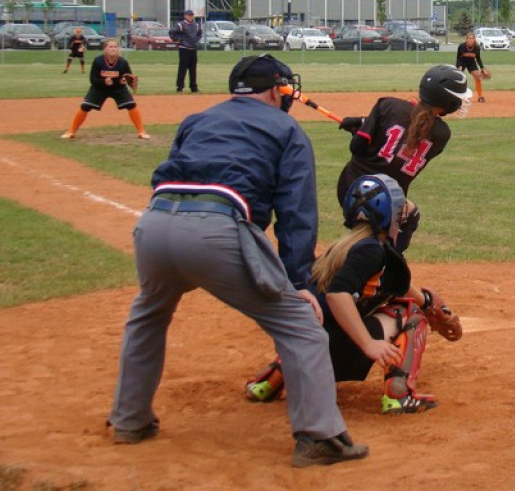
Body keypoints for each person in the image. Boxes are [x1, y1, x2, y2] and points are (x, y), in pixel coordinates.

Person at [107, 54, 369, 468]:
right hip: (216, 231)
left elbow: (166, 174)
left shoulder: (197, 119)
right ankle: (320, 437)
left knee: (147, 315)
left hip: (154, 225)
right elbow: (296, 214)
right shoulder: (287, 129)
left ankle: (129, 420)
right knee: (302, 329)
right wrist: (299, 282)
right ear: (276, 90)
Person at [249, 175, 449, 414]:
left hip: (300, 347)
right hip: (327, 350)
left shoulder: (342, 248)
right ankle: (399, 394)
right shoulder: (372, 251)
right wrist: (368, 344)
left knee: (336, 314)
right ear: (391, 216)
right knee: (409, 311)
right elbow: (337, 294)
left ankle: (274, 377)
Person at [335, 64, 472, 253]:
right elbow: (407, 132)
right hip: (389, 201)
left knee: (366, 242)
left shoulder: (387, 105)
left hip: (351, 188)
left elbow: (357, 148)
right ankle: (388, 263)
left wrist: (362, 129)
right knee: (410, 217)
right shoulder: (442, 134)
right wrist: (365, 123)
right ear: (448, 102)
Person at [62, 38, 150, 140]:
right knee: (85, 106)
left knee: (131, 105)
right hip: (99, 88)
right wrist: (104, 81)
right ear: (105, 49)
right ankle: (71, 131)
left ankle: (141, 132)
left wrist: (128, 81)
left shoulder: (122, 62)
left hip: (118, 88)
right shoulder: (98, 61)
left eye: (116, 47)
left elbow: (126, 77)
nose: (113, 49)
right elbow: (93, 79)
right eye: (111, 46)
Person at [170, 9, 201, 93]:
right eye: (189, 15)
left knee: (193, 69)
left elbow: (199, 34)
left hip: (193, 49)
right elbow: (172, 33)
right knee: (182, 68)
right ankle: (180, 87)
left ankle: (193, 87)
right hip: (184, 49)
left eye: (191, 15)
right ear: (185, 16)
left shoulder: (196, 25)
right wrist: (179, 40)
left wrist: (196, 41)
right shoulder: (181, 24)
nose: (190, 17)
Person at [455, 31, 489, 103]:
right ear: (466, 39)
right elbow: (458, 58)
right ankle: (457, 96)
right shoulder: (462, 46)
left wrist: (482, 68)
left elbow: (478, 58)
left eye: (472, 38)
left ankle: (480, 96)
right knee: (459, 78)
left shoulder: (476, 47)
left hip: (471, 63)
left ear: (474, 39)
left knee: (478, 77)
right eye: (469, 38)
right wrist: (459, 66)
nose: (471, 40)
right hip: (462, 62)